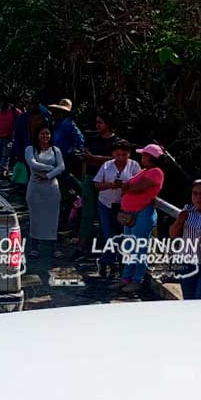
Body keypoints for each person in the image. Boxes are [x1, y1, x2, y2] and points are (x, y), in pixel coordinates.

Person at [115, 143, 165, 293]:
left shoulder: (156, 172)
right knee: (130, 248)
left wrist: (124, 186)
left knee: (140, 249)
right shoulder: (144, 171)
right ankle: (126, 278)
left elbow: (138, 188)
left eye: (144, 154)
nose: (141, 156)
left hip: (142, 213)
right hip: (130, 214)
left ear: (150, 157)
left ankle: (137, 280)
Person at [75, 113, 124, 261]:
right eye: (96, 122)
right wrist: (99, 160)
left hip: (110, 183)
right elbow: (85, 156)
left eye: (100, 122)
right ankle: (82, 245)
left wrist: (95, 159)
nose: (97, 126)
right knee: (87, 212)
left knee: (108, 216)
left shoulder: (117, 141)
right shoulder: (92, 139)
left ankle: (106, 249)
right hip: (91, 179)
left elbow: (116, 160)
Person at [93, 140, 143, 278]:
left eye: (124, 155)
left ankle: (119, 264)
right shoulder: (106, 166)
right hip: (106, 204)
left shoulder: (134, 166)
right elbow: (96, 184)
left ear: (129, 154)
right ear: (113, 154)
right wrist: (110, 185)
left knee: (123, 236)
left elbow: (139, 183)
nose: (121, 158)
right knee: (109, 236)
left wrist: (127, 187)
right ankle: (107, 260)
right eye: (118, 154)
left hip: (125, 206)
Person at [24, 124, 66, 259]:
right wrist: (51, 168)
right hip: (35, 188)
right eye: (42, 133)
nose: (45, 136)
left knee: (53, 218)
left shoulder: (56, 150)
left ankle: (54, 247)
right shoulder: (30, 149)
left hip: (52, 188)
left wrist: (48, 175)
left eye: (47, 133)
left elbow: (62, 167)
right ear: (37, 135)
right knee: (35, 218)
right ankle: (34, 247)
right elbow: (33, 163)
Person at [9, 94, 51, 174]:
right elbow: (18, 136)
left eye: (30, 104)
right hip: (27, 148)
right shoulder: (23, 118)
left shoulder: (43, 115)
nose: (28, 106)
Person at [0, 96, 21, 175]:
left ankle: (3, 170)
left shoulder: (14, 111)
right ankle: (0, 170)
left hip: (8, 138)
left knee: (5, 156)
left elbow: (21, 118)